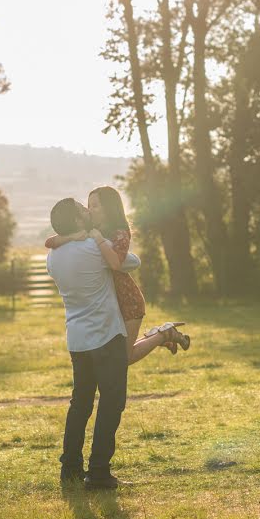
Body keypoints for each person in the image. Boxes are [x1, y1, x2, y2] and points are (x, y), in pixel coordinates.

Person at [46, 198, 186, 490]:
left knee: (80, 404)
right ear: (77, 221)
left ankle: (70, 468)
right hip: (106, 337)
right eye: (83, 210)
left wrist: (74, 238)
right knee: (110, 404)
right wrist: (94, 240)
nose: (88, 210)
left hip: (77, 339)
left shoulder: (53, 258)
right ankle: (98, 473)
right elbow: (130, 261)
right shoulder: (92, 249)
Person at [46, 186, 189, 359]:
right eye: (88, 205)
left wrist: (97, 240)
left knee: (125, 358)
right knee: (118, 355)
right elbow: (50, 242)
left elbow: (125, 262)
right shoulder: (90, 234)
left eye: (95, 206)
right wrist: (71, 237)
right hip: (111, 304)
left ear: (108, 209)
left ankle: (164, 335)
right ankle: (160, 335)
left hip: (127, 301)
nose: (89, 210)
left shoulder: (117, 234)